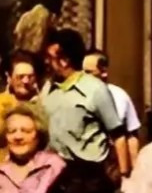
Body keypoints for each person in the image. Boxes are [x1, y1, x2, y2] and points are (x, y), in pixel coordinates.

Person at [41, 28, 128, 174]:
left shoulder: (95, 89)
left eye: (50, 57)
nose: (47, 62)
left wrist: (124, 174)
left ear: (64, 61)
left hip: (87, 175)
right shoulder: (48, 88)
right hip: (53, 172)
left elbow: (118, 135)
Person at [0, 51, 46, 175]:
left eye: (30, 77)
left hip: (32, 173)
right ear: (9, 77)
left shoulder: (42, 105)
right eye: (20, 77)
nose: (26, 81)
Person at [84, 49, 143, 167]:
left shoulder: (120, 96)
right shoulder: (75, 97)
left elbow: (131, 136)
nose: (83, 77)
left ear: (104, 72)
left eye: (88, 72)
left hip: (113, 163)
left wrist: (135, 170)